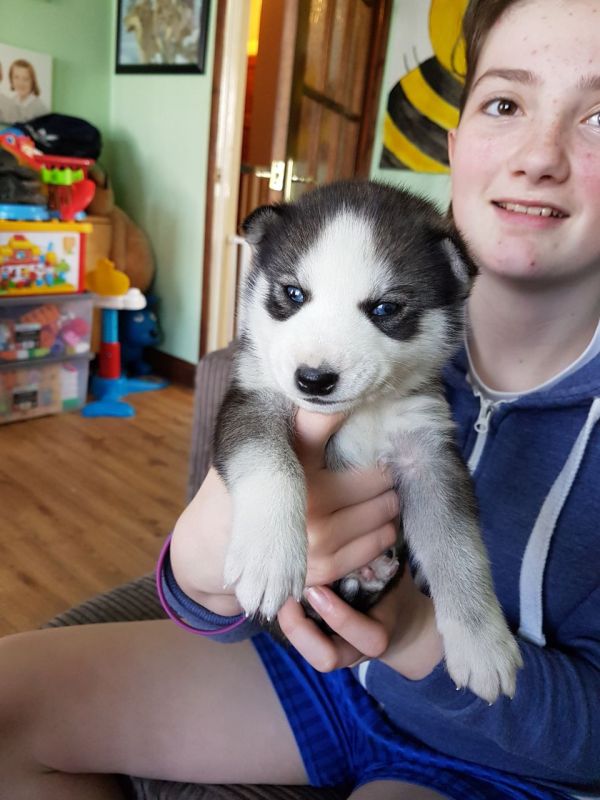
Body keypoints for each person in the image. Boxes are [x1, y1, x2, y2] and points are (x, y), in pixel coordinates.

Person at [1, 0, 599, 797]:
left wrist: (418, 628)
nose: (538, 157)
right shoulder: (328, 351)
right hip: (314, 682)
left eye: (599, 117)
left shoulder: (426, 337)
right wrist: (199, 569)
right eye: (504, 103)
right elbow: (223, 585)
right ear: (456, 143)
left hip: (492, 751)